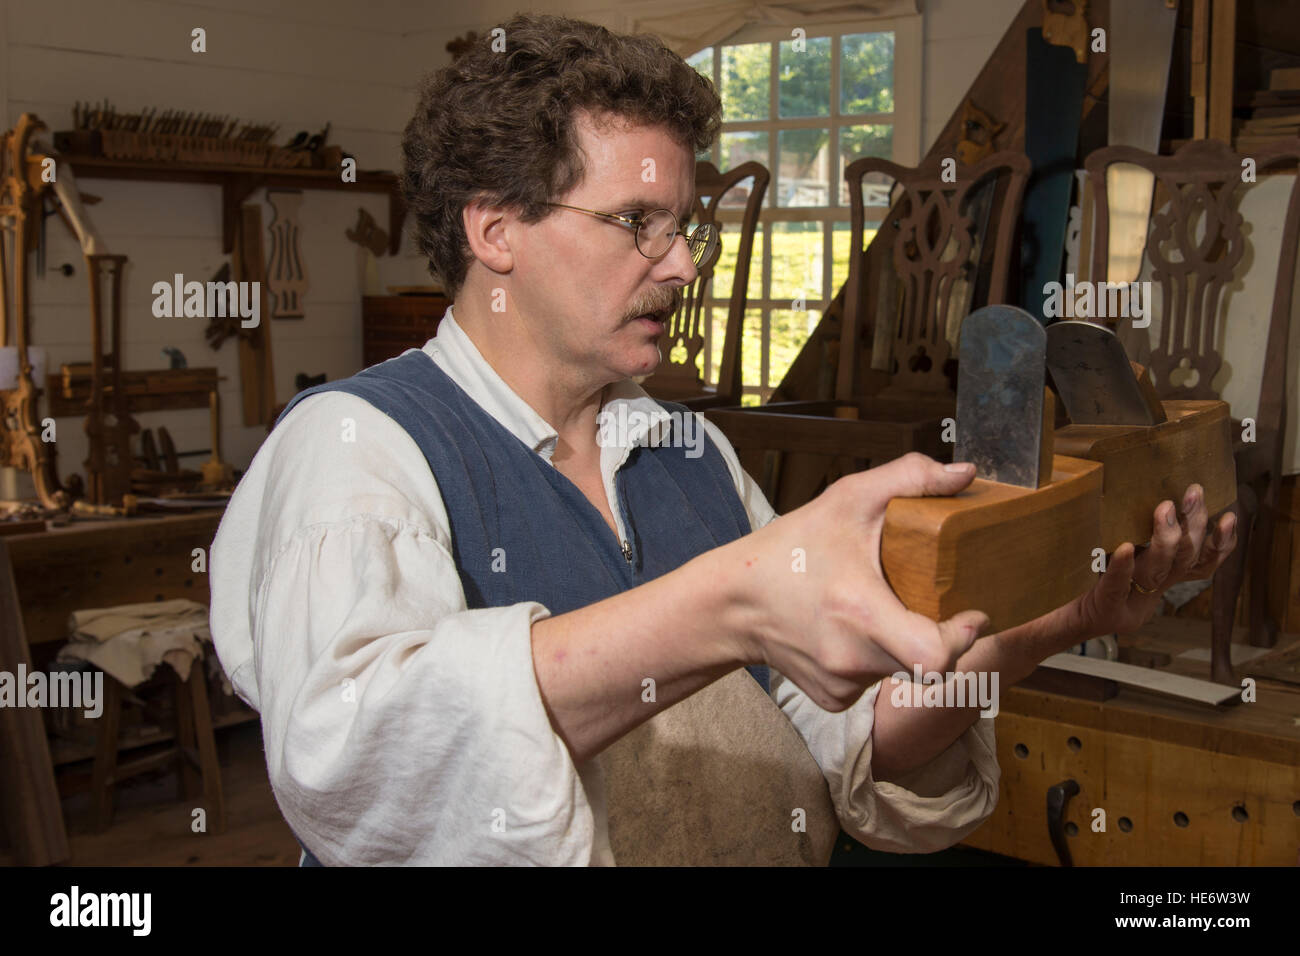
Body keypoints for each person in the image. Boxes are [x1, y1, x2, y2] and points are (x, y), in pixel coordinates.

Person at [208, 13, 1236, 866]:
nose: (684, 264)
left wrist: (1064, 618)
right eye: (635, 223)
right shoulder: (359, 447)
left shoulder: (686, 452)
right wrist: (726, 601)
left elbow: (853, 743)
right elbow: (354, 760)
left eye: (683, 222)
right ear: (495, 230)